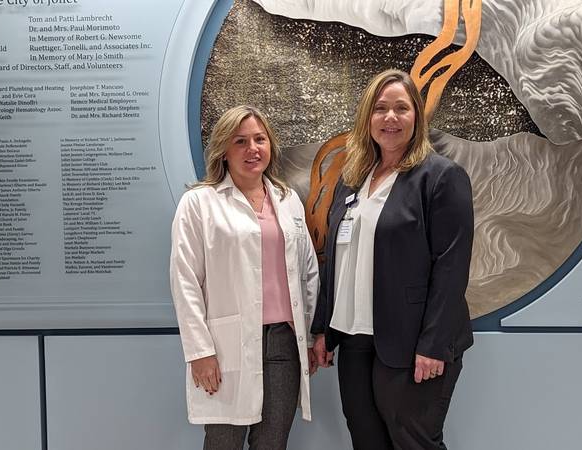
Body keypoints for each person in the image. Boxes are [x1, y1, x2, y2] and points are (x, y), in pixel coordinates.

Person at [311, 69, 474, 450]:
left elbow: (452, 267)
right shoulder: (352, 180)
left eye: (401, 108)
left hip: (412, 343)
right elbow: (335, 262)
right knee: (367, 442)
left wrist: (433, 344)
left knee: (413, 441)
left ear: (416, 116)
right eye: (381, 108)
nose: (390, 117)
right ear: (367, 117)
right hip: (355, 339)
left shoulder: (440, 177)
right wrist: (323, 329)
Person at [170, 105, 319, 450]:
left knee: (272, 442)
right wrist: (199, 351)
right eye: (241, 141)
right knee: (224, 441)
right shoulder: (199, 203)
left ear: (271, 146)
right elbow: (185, 281)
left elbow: (308, 273)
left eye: (259, 139)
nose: (253, 149)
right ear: (224, 150)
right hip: (226, 346)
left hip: (284, 342)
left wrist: (309, 338)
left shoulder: (288, 200)